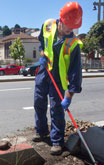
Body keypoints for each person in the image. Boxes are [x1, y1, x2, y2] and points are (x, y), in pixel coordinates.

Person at [33, 1, 83, 155]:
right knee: (38, 101)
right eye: (68, 26)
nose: (70, 30)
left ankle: (57, 141)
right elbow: (42, 39)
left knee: (56, 109)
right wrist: (42, 51)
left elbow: (76, 72)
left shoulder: (74, 44)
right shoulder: (47, 25)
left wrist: (69, 96)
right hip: (44, 70)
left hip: (58, 79)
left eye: (73, 27)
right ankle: (41, 131)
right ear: (61, 20)